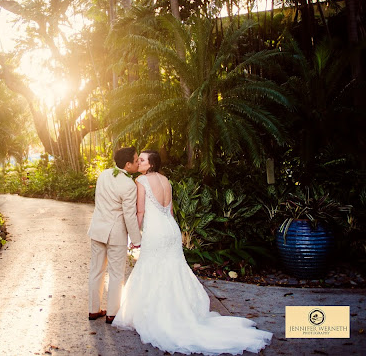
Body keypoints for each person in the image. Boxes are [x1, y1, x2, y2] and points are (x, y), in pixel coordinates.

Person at [113, 150, 272, 354]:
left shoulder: (141, 181)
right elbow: (169, 210)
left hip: (156, 232)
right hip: (171, 229)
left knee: (153, 268)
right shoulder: (166, 180)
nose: (139, 163)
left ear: (151, 164)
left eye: (142, 160)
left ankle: (158, 315)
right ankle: (181, 312)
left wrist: (133, 236)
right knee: (173, 269)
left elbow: (141, 211)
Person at [87, 147, 142, 324]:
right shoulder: (129, 185)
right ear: (127, 164)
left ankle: (93, 310)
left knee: (96, 271)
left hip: (97, 229)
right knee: (117, 274)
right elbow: (129, 215)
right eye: (135, 160)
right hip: (115, 234)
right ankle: (112, 313)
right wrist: (136, 239)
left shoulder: (104, 175)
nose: (137, 162)